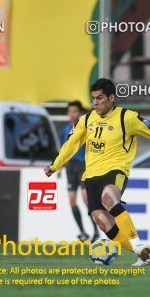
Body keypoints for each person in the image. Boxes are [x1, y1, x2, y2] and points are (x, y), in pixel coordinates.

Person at [44, 78, 150, 266]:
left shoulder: (127, 117)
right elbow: (71, 144)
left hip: (115, 170)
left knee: (109, 198)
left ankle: (138, 244)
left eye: (100, 98)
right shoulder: (86, 120)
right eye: (93, 98)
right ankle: (142, 252)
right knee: (102, 221)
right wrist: (54, 165)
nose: (96, 102)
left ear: (111, 98)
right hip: (91, 175)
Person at [61, 101, 98, 241]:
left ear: (80, 113)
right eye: (70, 111)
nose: (72, 114)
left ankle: (96, 230)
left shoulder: (87, 128)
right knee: (72, 200)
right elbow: (63, 149)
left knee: (85, 199)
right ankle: (83, 232)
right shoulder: (65, 129)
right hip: (70, 167)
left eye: (75, 111)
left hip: (84, 166)